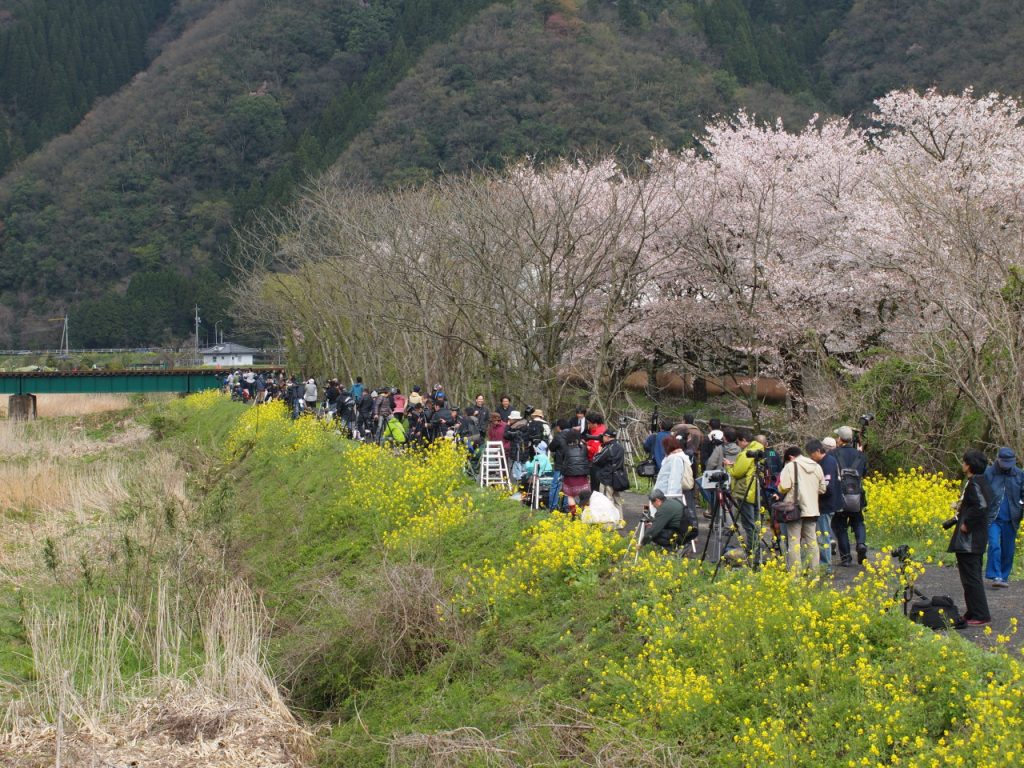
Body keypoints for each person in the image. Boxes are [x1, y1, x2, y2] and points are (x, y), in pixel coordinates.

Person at [951, 450, 994, 626]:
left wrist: (966, 524)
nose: (962, 465)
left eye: (964, 462)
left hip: (970, 541)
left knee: (972, 578)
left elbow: (981, 506)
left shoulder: (974, 483)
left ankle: (981, 614)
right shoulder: (981, 481)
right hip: (976, 539)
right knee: (970, 577)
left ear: (969, 465)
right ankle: (972, 611)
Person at [776, 445, 827, 572]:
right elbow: (822, 489)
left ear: (791, 457)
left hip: (794, 510)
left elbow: (784, 487)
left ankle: (795, 574)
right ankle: (814, 572)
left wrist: (779, 489)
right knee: (812, 541)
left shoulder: (790, 466)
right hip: (812, 509)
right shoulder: (816, 466)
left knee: (794, 542)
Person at [984, 447, 1024, 588]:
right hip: (992, 518)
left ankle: (1004, 577)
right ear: (998, 459)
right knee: (994, 545)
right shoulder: (989, 473)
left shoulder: (1019, 475)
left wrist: (1020, 505)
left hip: (1011, 518)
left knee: (1009, 549)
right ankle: (996, 575)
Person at [832, 425, 869, 566]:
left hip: (840, 496)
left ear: (840, 439)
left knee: (840, 525)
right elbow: (864, 473)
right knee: (858, 520)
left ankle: (846, 558)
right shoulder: (860, 455)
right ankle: (860, 544)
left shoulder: (833, 454)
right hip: (856, 496)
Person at [727, 429, 765, 560]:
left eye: (738, 442)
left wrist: (728, 467)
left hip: (746, 492)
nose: (738, 444)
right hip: (756, 492)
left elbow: (737, 472)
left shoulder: (746, 454)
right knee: (756, 522)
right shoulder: (760, 450)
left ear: (743, 440)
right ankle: (756, 549)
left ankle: (752, 551)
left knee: (748, 524)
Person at [808, 439, 841, 571]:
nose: (811, 457)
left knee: (823, 536)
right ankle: (824, 564)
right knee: (823, 535)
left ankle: (825, 565)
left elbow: (827, 487)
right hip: (829, 504)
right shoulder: (829, 460)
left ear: (817, 451)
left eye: (811, 454)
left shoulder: (826, 463)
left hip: (826, 505)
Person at [592, 429, 627, 514]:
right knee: (617, 500)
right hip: (618, 478)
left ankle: (610, 522)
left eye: (603, 436)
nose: (602, 438)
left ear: (607, 437)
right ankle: (620, 521)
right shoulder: (620, 447)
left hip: (607, 478)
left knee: (607, 500)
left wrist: (599, 451)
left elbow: (596, 460)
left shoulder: (608, 448)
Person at [559, 429, 591, 518]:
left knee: (570, 495)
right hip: (582, 475)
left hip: (569, 475)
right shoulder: (584, 448)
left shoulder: (565, 449)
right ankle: (585, 515)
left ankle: (574, 515)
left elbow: (562, 460)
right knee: (584, 496)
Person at [547, 419, 571, 512]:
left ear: (559, 427)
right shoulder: (573, 435)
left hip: (560, 465)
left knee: (556, 486)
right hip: (571, 465)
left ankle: (553, 506)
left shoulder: (558, 436)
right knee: (567, 486)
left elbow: (551, 447)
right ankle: (565, 506)